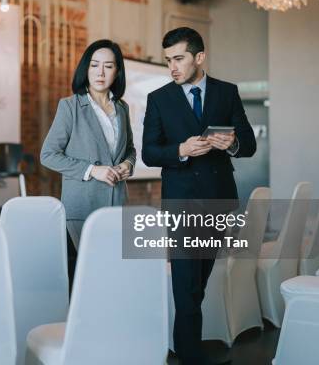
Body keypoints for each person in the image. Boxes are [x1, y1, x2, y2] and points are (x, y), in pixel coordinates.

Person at [142, 27, 256, 365]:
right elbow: (149, 152)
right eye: (168, 61)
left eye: (178, 58)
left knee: (198, 282)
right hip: (180, 201)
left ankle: (185, 347)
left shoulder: (227, 93)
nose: (172, 67)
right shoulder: (159, 98)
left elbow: (248, 144)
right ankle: (190, 355)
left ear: (199, 57)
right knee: (185, 282)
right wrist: (180, 149)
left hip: (219, 199)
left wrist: (231, 143)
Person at [40, 39, 136, 250]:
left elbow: (129, 149)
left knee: (114, 270)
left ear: (117, 72)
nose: (100, 72)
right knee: (92, 273)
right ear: (86, 68)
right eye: (94, 65)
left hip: (117, 204)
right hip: (83, 208)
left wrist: (128, 164)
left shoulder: (122, 108)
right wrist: (92, 170)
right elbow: (48, 154)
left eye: (108, 66)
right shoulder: (70, 106)